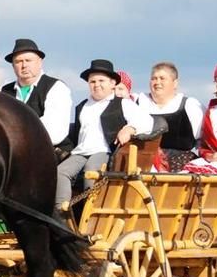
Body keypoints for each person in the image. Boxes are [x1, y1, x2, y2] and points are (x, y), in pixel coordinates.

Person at [55, 59, 154, 206]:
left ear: (113, 83)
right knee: (60, 172)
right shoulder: (82, 106)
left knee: (92, 173)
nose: (97, 85)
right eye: (92, 81)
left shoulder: (122, 103)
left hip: (105, 151)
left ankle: (91, 214)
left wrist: (129, 129)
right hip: (81, 152)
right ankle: (62, 213)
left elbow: (147, 121)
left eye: (101, 80)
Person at [0, 38, 73, 159]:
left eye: (28, 60)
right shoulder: (6, 91)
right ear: (13, 66)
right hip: (13, 154)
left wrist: (16, 136)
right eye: (18, 61)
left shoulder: (56, 87)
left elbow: (55, 133)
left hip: (51, 153)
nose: (24, 65)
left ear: (40, 62)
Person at [134, 61, 204, 171]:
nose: (157, 82)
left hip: (181, 165)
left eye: (162, 78)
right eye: (154, 78)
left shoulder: (190, 106)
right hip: (144, 163)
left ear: (175, 83)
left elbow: (204, 140)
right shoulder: (138, 104)